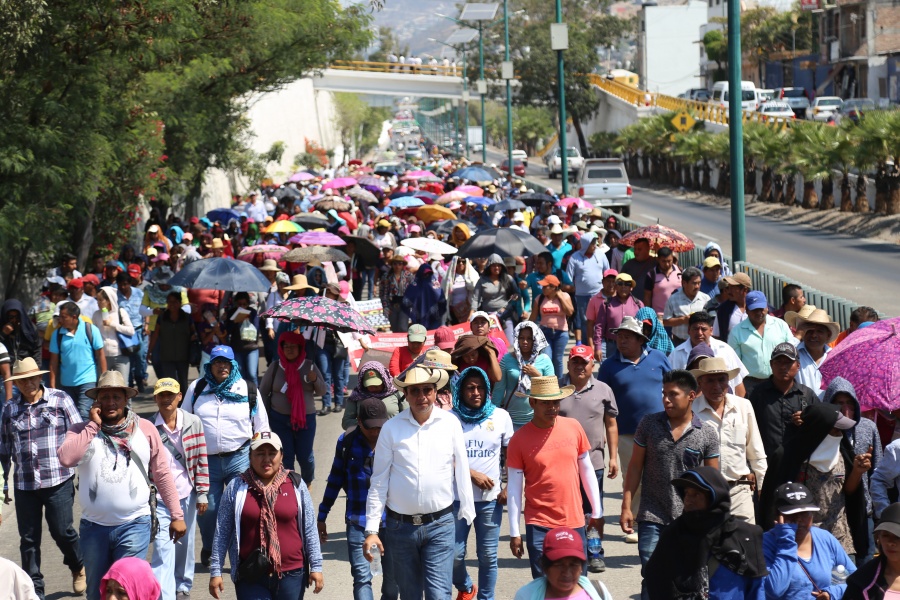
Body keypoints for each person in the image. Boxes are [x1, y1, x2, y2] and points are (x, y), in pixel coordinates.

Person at [56, 371, 186, 600]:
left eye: (116, 396)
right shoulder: (81, 430)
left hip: (135, 524)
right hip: (94, 528)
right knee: (98, 591)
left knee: (126, 590)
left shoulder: (145, 428)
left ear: (126, 399)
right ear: (96, 401)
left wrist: (176, 514)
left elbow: (162, 474)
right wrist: (92, 427)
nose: (110, 402)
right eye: (104, 397)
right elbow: (66, 459)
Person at [363, 366, 476, 600]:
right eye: (415, 391)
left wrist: (467, 509)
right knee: (410, 595)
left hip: (440, 525)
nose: (422, 396)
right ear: (406, 394)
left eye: (427, 390)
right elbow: (379, 481)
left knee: (439, 595)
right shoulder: (391, 429)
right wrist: (372, 530)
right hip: (399, 528)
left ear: (436, 392)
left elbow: (462, 469)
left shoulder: (450, 423)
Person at [620, 370, 720, 596]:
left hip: (691, 520)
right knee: (652, 575)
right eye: (664, 394)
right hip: (652, 515)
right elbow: (635, 467)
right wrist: (627, 506)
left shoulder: (707, 433)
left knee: (686, 580)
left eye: (673, 394)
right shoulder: (648, 424)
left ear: (691, 395)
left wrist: (713, 518)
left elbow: (714, 480)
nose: (666, 399)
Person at [0, 358, 86, 599]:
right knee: (28, 539)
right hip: (25, 484)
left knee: (62, 531)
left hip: (58, 479)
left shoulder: (60, 399)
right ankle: (34, 590)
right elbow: (4, 448)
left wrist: (86, 473)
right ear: (15, 383)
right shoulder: (9, 409)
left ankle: (77, 564)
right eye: (22, 380)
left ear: (40, 377)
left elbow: (79, 436)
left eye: (32, 378)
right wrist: (3, 485)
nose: (28, 383)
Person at [182, 344, 270, 567]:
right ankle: (211, 547)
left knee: (240, 507)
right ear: (209, 366)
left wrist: (265, 457)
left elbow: (262, 425)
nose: (222, 366)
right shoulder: (197, 388)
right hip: (205, 461)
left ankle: (239, 550)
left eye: (226, 363)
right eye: (217, 363)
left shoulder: (247, 389)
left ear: (233, 365)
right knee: (208, 509)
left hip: (239, 458)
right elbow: (183, 421)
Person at [507, 376, 604, 579]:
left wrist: (597, 511)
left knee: (576, 584)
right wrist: (515, 532)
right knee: (545, 585)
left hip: (574, 520)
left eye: (555, 402)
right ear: (532, 402)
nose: (552, 408)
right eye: (545, 403)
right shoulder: (518, 440)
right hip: (539, 523)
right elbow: (515, 489)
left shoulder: (573, 427)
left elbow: (587, 470)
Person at [209, 431, 324, 600]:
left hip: (292, 574)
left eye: (272, 453)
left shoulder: (296, 485)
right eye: (260, 454)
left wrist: (316, 567)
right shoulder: (236, 487)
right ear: (250, 456)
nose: (266, 459)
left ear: (282, 455)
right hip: (251, 575)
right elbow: (222, 532)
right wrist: (216, 571)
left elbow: (310, 530)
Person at [760, 403, 870, 560]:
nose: (840, 434)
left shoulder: (843, 454)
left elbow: (848, 492)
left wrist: (857, 472)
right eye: (835, 430)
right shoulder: (787, 457)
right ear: (819, 430)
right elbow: (772, 504)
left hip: (839, 539)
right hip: (799, 539)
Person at [597, 315, 672, 544]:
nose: (621, 341)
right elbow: (603, 400)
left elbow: (672, 385)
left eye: (627, 336)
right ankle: (640, 523)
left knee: (663, 475)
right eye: (619, 336)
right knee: (634, 478)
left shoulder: (659, 358)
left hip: (661, 429)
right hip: (628, 432)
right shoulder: (609, 366)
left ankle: (664, 522)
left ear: (640, 339)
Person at [644, 467, 768, 599]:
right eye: (686, 493)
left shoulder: (745, 536)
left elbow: (757, 587)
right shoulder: (674, 535)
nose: (688, 499)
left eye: (696, 494)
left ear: (714, 498)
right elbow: (655, 580)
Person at [318, 397, 399, 600]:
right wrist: (322, 515)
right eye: (370, 427)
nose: (375, 432)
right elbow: (335, 479)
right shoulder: (346, 442)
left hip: (392, 521)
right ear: (359, 422)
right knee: (362, 577)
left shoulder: (394, 440)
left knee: (393, 579)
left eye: (379, 427)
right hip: (357, 520)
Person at [450, 366, 514, 600]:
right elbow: (443, 457)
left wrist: (510, 487)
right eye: (469, 387)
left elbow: (512, 456)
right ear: (461, 390)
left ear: (487, 390)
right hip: (456, 500)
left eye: (480, 387)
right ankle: (466, 587)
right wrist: (471, 473)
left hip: (490, 501)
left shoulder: (500, 417)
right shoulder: (450, 418)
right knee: (455, 555)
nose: (475, 392)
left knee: (488, 556)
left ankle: (486, 598)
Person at [558, 345, 619, 572]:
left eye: (584, 362)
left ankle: (594, 552)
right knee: (566, 509)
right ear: (568, 364)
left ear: (592, 364)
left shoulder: (603, 390)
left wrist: (613, 457)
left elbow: (611, 425)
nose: (579, 366)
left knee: (593, 508)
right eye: (575, 361)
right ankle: (569, 551)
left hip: (594, 462)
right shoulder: (557, 388)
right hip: (562, 463)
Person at [149, 378, 209, 600]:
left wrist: (202, 492)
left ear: (179, 397)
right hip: (161, 496)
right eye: (161, 395)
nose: (166, 399)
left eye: (170, 395)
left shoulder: (193, 422)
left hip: (187, 493)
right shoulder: (148, 427)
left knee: (185, 543)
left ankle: (182, 585)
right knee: (163, 547)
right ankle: (164, 594)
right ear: (155, 398)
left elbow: (202, 459)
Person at [691, 357, 768, 523]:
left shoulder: (744, 406)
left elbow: (756, 451)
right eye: (710, 380)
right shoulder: (691, 410)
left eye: (721, 380)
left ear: (729, 381)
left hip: (739, 490)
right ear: (700, 383)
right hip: (704, 491)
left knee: (744, 542)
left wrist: (762, 487)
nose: (717, 386)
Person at [763, 482, 855, 600]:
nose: (799, 520)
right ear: (778, 516)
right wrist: (786, 542)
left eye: (805, 513)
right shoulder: (765, 544)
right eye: (792, 515)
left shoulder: (825, 538)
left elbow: (856, 579)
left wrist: (832, 593)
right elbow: (774, 590)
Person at [259, 331, 324, 486]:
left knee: (305, 456)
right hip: (279, 419)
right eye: (286, 346)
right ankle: (289, 486)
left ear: (301, 347)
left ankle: (307, 482)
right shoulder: (275, 367)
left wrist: (315, 380)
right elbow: (262, 392)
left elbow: (322, 391)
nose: (289, 349)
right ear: (281, 348)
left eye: (293, 346)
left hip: (305, 419)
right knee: (286, 456)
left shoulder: (309, 366)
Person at [749, 343, 820, 458]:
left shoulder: (807, 395)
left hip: (798, 464)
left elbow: (821, 427)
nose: (783, 367)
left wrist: (808, 420)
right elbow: (746, 430)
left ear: (798, 365)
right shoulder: (756, 394)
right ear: (771, 365)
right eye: (778, 362)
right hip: (766, 464)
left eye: (788, 362)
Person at [512, 526, 613, 600]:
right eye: (559, 565)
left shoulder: (598, 591)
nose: (567, 573)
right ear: (545, 566)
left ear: (582, 567)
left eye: (573, 564)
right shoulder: (526, 595)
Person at [669, 310, 748, 397]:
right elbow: (670, 385)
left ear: (711, 330)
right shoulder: (676, 354)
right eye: (695, 329)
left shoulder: (725, 350)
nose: (699, 333)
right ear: (688, 330)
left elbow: (738, 384)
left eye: (703, 329)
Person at [728, 290, 795, 392]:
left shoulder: (781, 325)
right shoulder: (737, 331)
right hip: (751, 385)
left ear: (767, 307)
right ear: (747, 310)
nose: (759, 312)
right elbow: (734, 363)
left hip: (778, 382)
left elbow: (792, 351)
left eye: (761, 309)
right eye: (755, 309)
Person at [49, 301, 106, 420]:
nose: (60, 320)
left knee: (84, 414)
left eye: (63, 317)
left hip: (87, 380)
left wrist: (104, 379)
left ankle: (86, 438)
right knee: (69, 416)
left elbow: (100, 354)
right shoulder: (57, 335)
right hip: (66, 384)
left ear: (74, 317)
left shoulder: (90, 329)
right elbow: (53, 362)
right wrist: (52, 384)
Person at [494, 322, 555, 431]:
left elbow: (553, 390)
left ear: (535, 340)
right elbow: (498, 390)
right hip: (510, 420)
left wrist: (537, 375)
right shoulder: (507, 359)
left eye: (529, 339)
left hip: (537, 420)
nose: (525, 342)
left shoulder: (544, 360)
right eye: (521, 338)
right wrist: (493, 416)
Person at [845, 502, 900, 600]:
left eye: (897, 537)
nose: (890, 543)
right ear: (878, 537)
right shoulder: (861, 581)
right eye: (885, 535)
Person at [565, 232, 609, 345]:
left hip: (599, 294)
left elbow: (607, 272)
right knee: (585, 321)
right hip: (581, 296)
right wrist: (571, 287)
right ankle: (587, 346)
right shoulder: (575, 258)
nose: (595, 245)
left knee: (601, 320)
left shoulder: (601, 255)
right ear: (585, 244)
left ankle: (600, 343)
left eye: (595, 242)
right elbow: (568, 277)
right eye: (592, 243)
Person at [148, 291, 194, 394]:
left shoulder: (187, 317)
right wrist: (150, 351)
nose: (172, 304)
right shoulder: (162, 317)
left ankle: (184, 406)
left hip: (183, 355)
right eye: (169, 302)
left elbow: (193, 333)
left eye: (175, 302)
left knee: (183, 382)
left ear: (180, 303)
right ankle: (173, 405)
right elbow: (155, 335)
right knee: (170, 383)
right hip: (166, 356)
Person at [528, 275, 574, 378]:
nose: (542, 289)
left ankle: (559, 383)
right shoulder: (539, 299)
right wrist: (525, 328)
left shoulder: (565, 296)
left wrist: (560, 297)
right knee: (547, 358)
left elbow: (570, 312)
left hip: (561, 332)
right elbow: (533, 316)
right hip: (545, 332)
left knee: (558, 359)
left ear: (553, 287)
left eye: (545, 286)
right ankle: (547, 383)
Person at [592, 273, 643, 362]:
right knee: (610, 372)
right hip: (611, 345)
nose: (623, 286)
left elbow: (643, 327)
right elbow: (599, 327)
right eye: (620, 283)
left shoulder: (638, 304)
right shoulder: (606, 304)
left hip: (632, 345)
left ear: (631, 287)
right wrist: (597, 347)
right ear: (615, 286)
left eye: (627, 284)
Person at [342, 361, 406, 430]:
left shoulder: (396, 392)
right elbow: (346, 422)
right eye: (370, 385)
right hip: (366, 437)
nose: (373, 388)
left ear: (384, 380)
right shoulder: (357, 395)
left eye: (376, 385)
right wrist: (367, 424)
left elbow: (407, 418)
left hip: (394, 434)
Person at [471, 253, 519, 343]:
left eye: (499, 265)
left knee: (510, 343)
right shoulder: (482, 280)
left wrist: (514, 299)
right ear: (489, 266)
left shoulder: (508, 279)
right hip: (489, 318)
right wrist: (471, 314)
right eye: (494, 266)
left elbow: (517, 294)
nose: (496, 268)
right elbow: (475, 298)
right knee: (491, 343)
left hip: (506, 316)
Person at [794, 308, 840, 398]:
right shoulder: (794, 353)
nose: (814, 335)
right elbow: (780, 355)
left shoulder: (835, 358)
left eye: (819, 331)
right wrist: (797, 337)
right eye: (810, 330)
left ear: (828, 335)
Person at [662, 267, 710, 346]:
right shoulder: (673, 299)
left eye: (699, 283)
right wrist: (683, 320)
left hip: (701, 343)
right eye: (694, 283)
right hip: (679, 342)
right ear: (684, 283)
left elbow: (711, 321)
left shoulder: (706, 299)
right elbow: (666, 322)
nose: (697, 286)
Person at [222, 292, 261, 385]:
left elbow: (257, 329)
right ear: (236, 304)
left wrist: (248, 320)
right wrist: (235, 321)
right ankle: (243, 395)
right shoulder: (232, 312)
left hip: (251, 348)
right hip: (237, 348)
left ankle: (255, 395)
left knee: (252, 374)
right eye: (240, 304)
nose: (242, 306)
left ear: (248, 304)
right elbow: (228, 330)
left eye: (244, 304)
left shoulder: (252, 312)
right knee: (240, 374)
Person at [402, 262, 446, 330]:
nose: (427, 276)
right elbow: (405, 302)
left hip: (434, 319)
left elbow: (442, 301)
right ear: (420, 274)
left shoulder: (435, 285)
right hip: (418, 320)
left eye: (429, 274)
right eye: (425, 274)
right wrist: (412, 314)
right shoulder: (414, 286)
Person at [643, 246, 682, 317]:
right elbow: (647, 297)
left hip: (678, 315)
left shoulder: (680, 271)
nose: (667, 264)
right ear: (658, 259)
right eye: (663, 261)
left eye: (669, 261)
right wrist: (648, 315)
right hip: (659, 316)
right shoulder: (651, 274)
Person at [1, 299, 42, 364]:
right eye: (11, 317)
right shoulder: (1, 328)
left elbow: (37, 349)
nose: (14, 320)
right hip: (6, 370)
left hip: (26, 369)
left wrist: (37, 368)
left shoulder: (30, 328)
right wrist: (3, 334)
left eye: (17, 317)